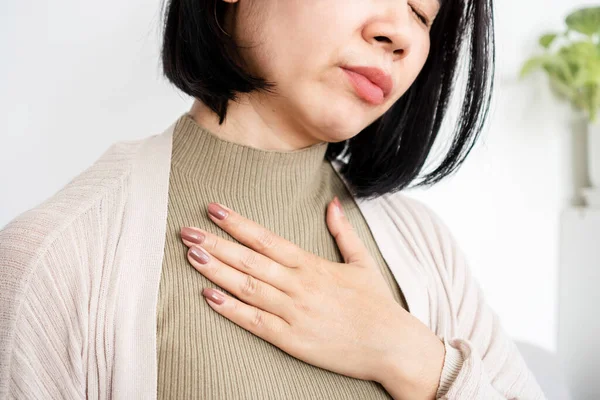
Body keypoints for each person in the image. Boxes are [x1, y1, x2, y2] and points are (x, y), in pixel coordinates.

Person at [0, 0, 547, 399]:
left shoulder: (426, 248)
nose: (398, 32)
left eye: (423, 14)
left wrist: (410, 356)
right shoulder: (56, 258)